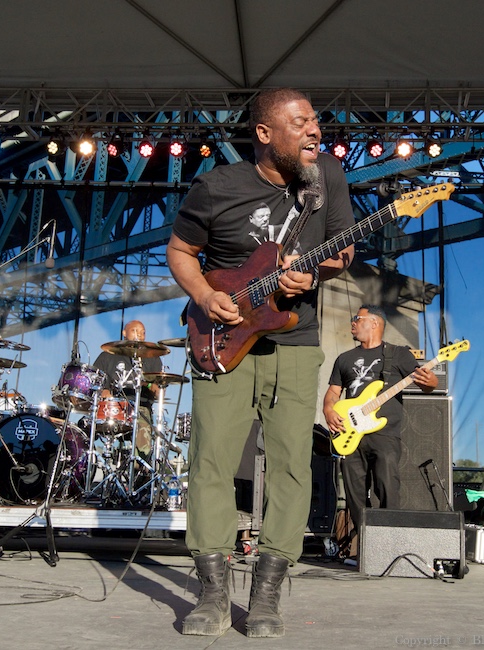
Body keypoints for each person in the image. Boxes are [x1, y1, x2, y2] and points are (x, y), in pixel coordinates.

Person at [166, 87, 355, 638]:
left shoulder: (328, 179)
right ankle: (214, 592)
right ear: (266, 134)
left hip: (295, 340)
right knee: (211, 464)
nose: (313, 131)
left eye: (315, 121)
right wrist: (204, 297)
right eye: (300, 123)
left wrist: (315, 274)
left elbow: (342, 252)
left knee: (294, 465)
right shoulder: (217, 186)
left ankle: (267, 593)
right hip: (223, 338)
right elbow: (181, 251)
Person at [323, 304, 438, 556]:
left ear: (374, 323)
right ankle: (368, 548)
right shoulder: (344, 359)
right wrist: (329, 411)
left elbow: (426, 383)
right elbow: (333, 393)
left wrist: (431, 382)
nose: (352, 323)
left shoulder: (398, 355)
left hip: (383, 433)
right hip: (350, 435)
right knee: (354, 494)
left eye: (357, 319)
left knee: (386, 485)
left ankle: (390, 546)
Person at [92, 320, 162, 456]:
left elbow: (158, 392)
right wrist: (103, 391)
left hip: (140, 407)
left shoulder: (152, 357)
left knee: (142, 443)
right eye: (135, 331)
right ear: (124, 333)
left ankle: (140, 468)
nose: (139, 335)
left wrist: (148, 385)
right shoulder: (109, 354)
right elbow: (95, 379)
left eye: (143, 332)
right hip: (112, 406)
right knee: (85, 425)